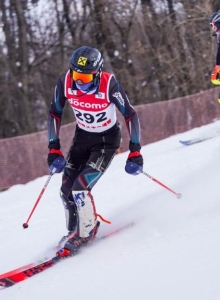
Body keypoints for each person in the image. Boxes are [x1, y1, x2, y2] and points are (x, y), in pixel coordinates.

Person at [47, 46, 143, 257]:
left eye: (85, 76)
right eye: (76, 75)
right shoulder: (64, 82)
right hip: (83, 138)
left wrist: (135, 151)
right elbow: (54, 112)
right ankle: (74, 230)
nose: (79, 82)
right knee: (66, 190)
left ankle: (86, 233)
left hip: (106, 141)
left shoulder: (109, 83)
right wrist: (53, 147)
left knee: (80, 188)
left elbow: (130, 114)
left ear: (97, 72)